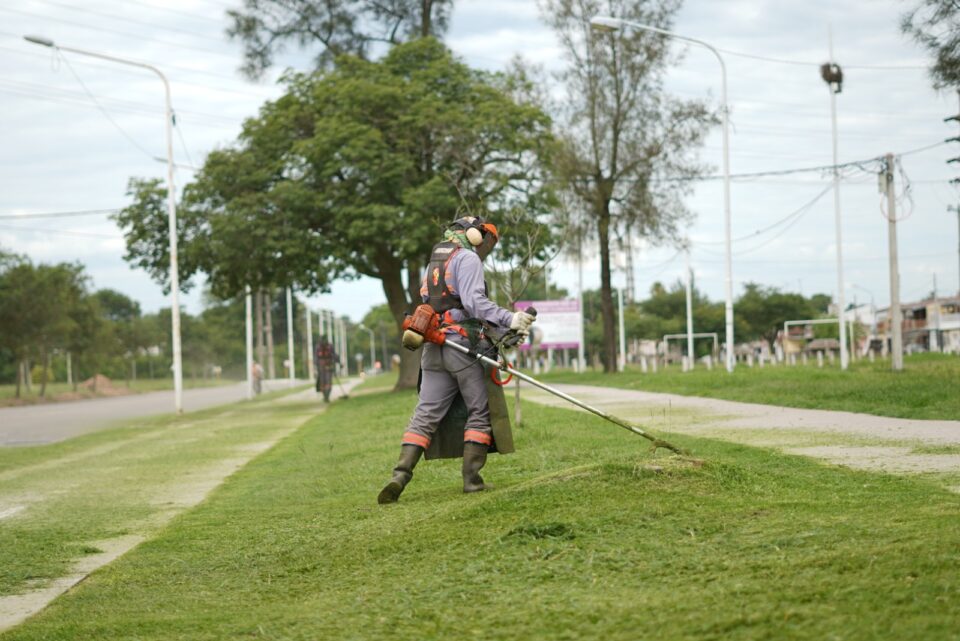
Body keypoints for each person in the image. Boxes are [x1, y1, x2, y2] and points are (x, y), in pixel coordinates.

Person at [377, 216, 536, 504]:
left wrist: (504, 330)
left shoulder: (435, 260)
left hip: (433, 347)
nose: (486, 248)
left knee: (425, 414)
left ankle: (399, 476)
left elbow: (450, 306)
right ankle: (472, 481)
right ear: (474, 234)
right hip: (462, 346)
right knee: (480, 411)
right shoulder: (467, 258)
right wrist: (509, 317)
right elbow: (474, 304)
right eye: (487, 240)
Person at [314, 335, 339, 403]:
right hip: (328, 366)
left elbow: (316, 357)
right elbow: (334, 355)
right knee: (328, 382)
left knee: (323, 383)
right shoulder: (330, 346)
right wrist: (338, 361)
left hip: (321, 367)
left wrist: (316, 365)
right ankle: (326, 397)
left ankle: (325, 397)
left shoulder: (318, 346)